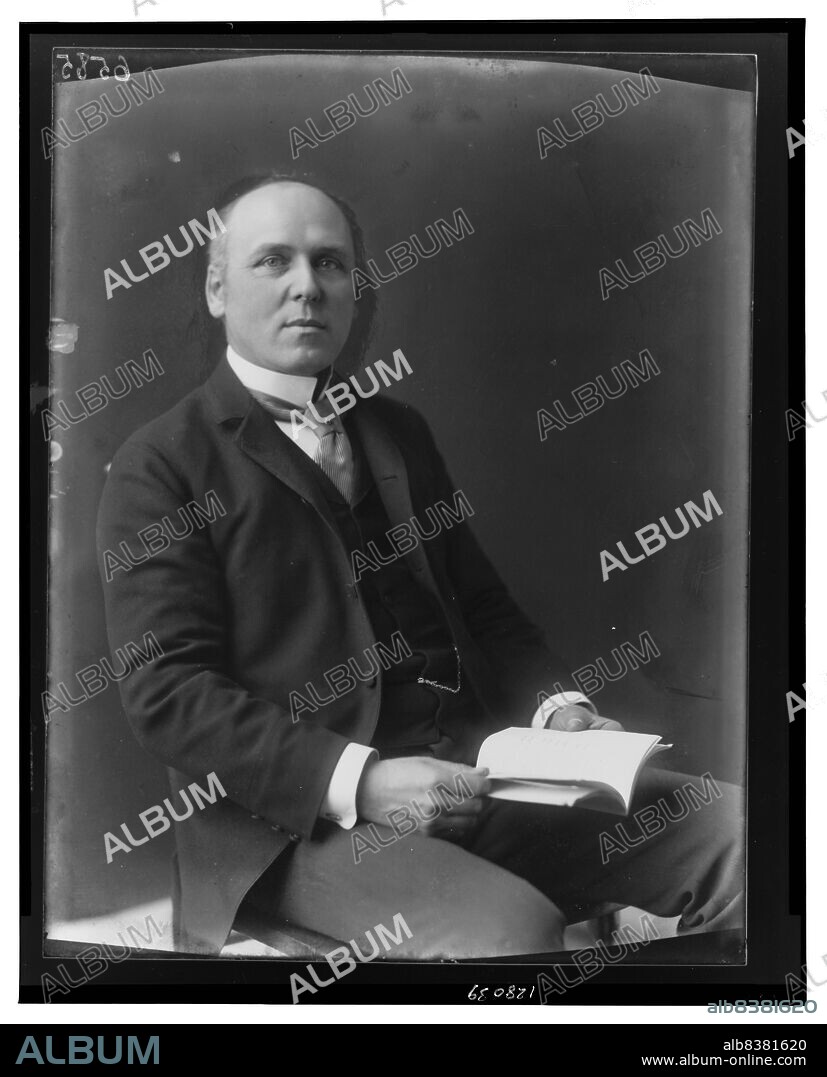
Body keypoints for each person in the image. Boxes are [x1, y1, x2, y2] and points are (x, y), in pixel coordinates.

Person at [97, 173, 744, 958]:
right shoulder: (159, 462)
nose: (307, 287)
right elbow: (168, 693)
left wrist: (557, 712)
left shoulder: (396, 429)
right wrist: (364, 780)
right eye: (273, 261)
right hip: (290, 829)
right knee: (515, 936)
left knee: (739, 833)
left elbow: (485, 609)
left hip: (470, 782)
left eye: (330, 263)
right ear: (215, 286)